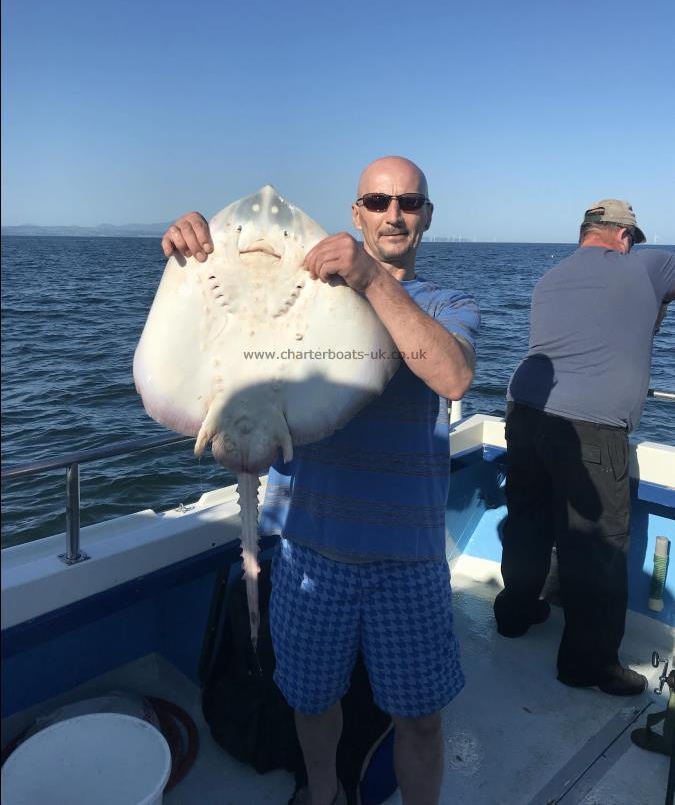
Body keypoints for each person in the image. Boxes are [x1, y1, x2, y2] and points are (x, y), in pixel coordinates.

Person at [161, 156, 480, 805]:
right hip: (309, 551)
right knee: (310, 703)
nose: (395, 214)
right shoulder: (302, 290)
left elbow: (451, 377)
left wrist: (369, 280)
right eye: (379, 201)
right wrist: (193, 260)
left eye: (409, 203)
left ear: (426, 217)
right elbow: (234, 346)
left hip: (408, 560)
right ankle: (325, 794)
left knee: (419, 716)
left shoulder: (447, 303)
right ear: (356, 213)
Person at [494, 199, 675, 696]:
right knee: (596, 547)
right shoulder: (645, 263)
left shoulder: (550, 278)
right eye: (632, 239)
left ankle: (516, 613)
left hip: (525, 412)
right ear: (622, 235)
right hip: (590, 427)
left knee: (528, 520)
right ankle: (587, 664)